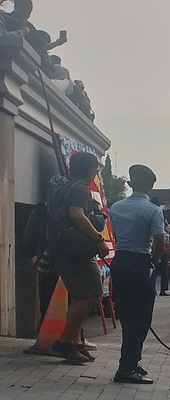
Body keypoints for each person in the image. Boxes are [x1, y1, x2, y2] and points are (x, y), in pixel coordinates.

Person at [46, 151, 108, 365]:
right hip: (77, 251)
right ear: (92, 171)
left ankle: (75, 342)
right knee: (90, 294)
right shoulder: (80, 189)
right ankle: (64, 342)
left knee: (78, 295)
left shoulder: (60, 188)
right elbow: (77, 214)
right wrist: (98, 239)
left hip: (61, 249)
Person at [107, 165, 166, 384]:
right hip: (140, 262)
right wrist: (154, 260)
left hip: (120, 260)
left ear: (130, 184)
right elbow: (160, 243)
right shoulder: (153, 210)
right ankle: (126, 368)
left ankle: (132, 360)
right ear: (151, 185)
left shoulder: (116, 207)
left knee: (127, 314)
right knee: (140, 318)